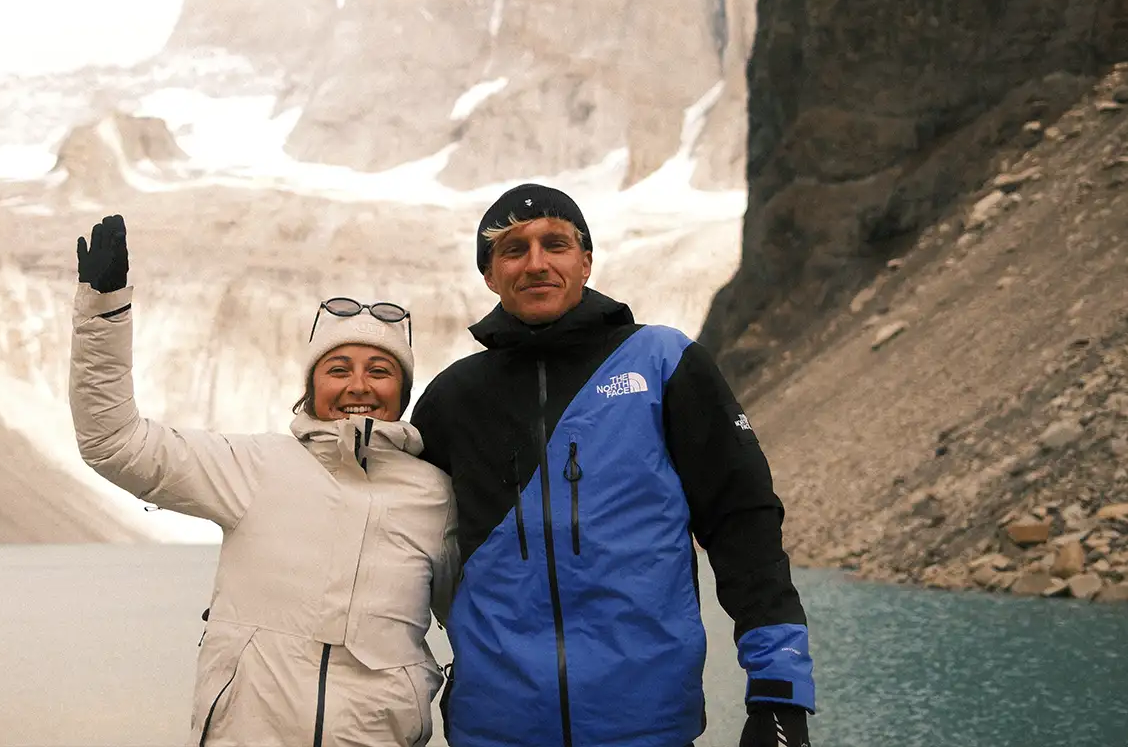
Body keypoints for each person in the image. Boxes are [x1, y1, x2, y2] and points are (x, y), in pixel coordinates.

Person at [410, 184, 815, 747]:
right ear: (489, 274)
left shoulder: (664, 363)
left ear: (586, 261)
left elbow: (743, 525)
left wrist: (779, 692)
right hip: (495, 728)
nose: (536, 263)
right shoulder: (452, 399)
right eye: (513, 249)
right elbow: (388, 546)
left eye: (555, 244)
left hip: (646, 726)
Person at [68, 214, 457, 747]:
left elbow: (476, 621)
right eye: (338, 369)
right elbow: (115, 443)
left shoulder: (435, 496)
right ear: (311, 386)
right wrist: (104, 312)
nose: (358, 386)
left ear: (404, 391)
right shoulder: (254, 466)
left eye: (380, 370)